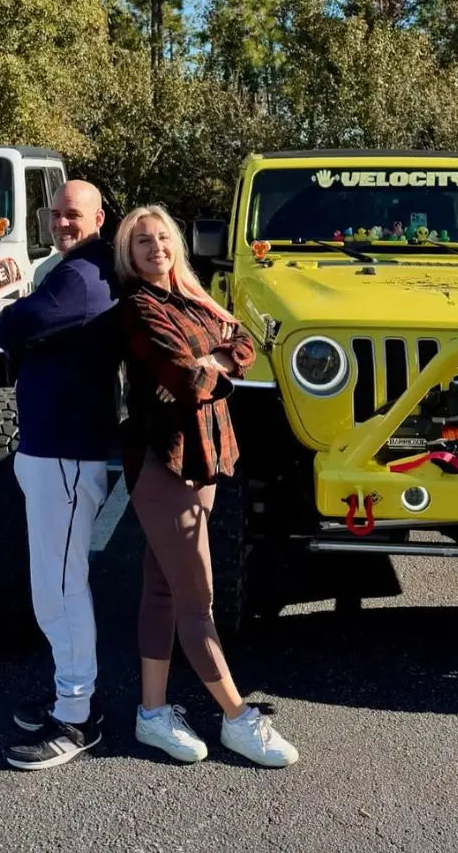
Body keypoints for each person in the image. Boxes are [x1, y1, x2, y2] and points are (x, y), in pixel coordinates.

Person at [115, 204, 299, 769]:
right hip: (164, 464)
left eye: (163, 238)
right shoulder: (138, 309)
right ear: (128, 252)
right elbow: (185, 379)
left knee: (163, 588)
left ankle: (151, 712)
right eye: (142, 241)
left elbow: (242, 343)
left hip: (205, 457)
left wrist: (215, 355)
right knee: (198, 601)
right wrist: (212, 360)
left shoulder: (192, 299)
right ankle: (239, 718)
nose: (156, 248)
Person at [0, 179, 121, 770]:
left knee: (62, 588)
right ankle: (67, 695)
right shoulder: (76, 269)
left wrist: (14, 321)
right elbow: (33, 326)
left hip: (67, 455)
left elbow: (16, 325)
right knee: (52, 583)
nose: (63, 222)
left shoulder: (86, 275)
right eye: (57, 213)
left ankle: (78, 718)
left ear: (98, 217)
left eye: (74, 214)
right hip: (52, 450)